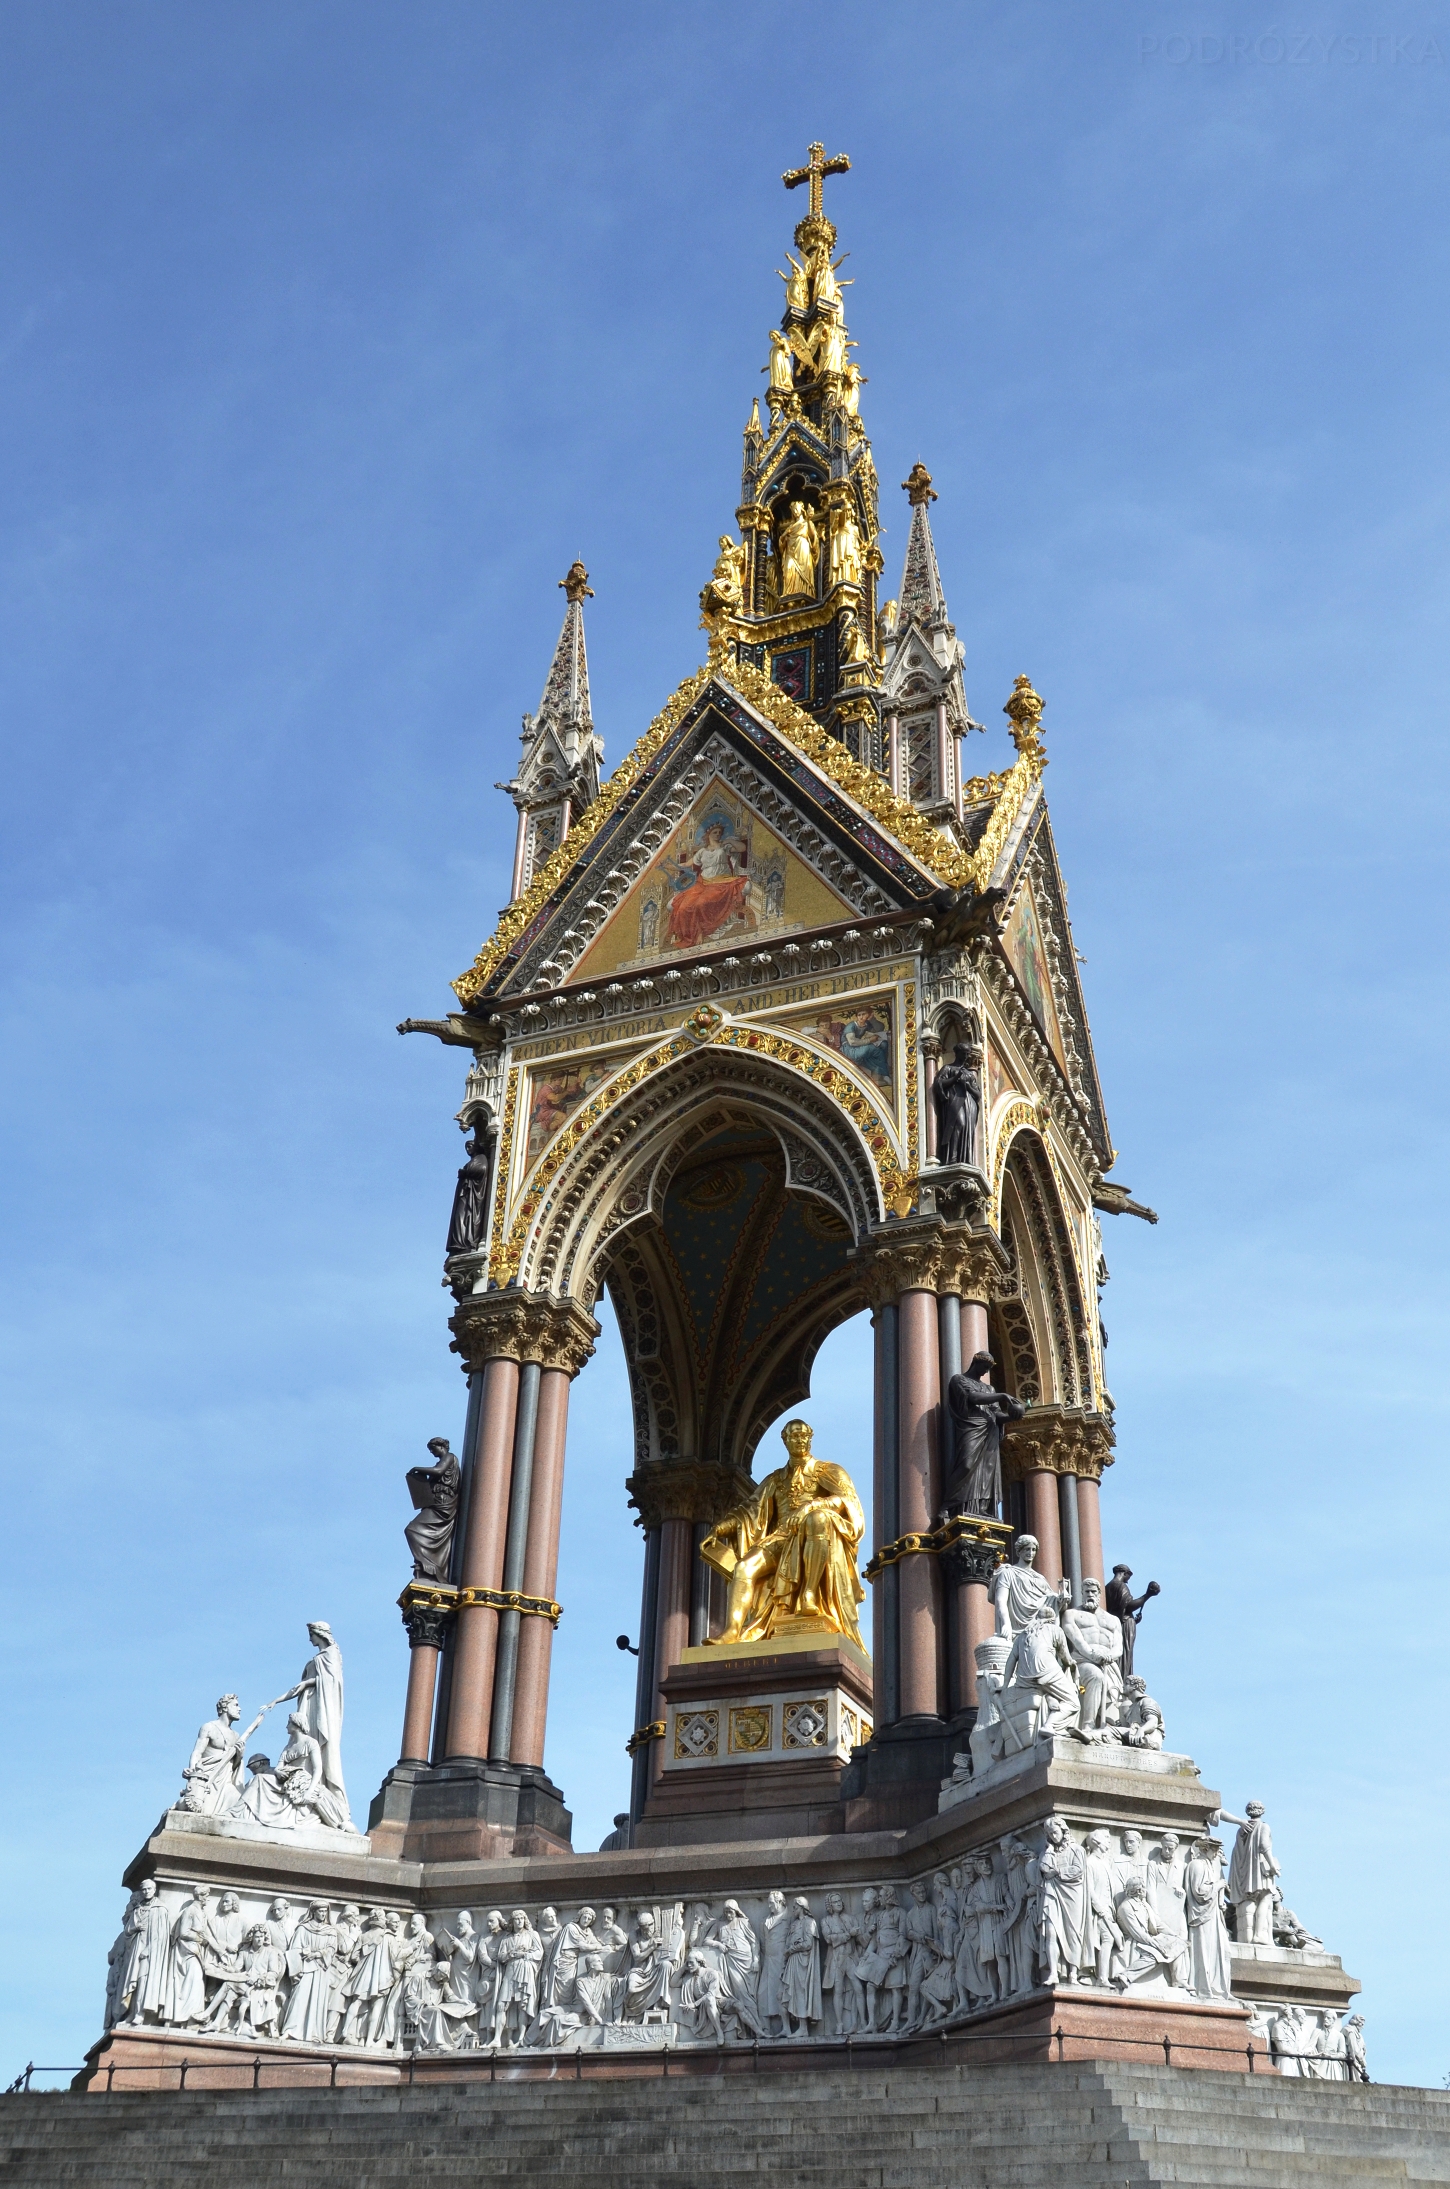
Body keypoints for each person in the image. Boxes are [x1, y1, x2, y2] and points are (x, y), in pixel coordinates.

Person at [700, 1421, 865, 1648]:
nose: (800, 1440)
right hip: (780, 1539)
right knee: (743, 1568)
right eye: (794, 1436)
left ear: (810, 1438)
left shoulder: (829, 1471)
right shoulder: (776, 1479)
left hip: (812, 1535)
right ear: (785, 1440)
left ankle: (809, 1594)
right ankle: (732, 1630)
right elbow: (749, 1511)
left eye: (804, 1435)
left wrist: (811, 1507)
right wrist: (719, 1528)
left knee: (818, 1519)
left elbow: (847, 1501)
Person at [944, 1354, 1024, 1519]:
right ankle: (948, 1505)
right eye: (985, 1367)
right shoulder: (959, 1380)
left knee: (987, 1471)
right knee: (966, 1465)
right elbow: (973, 1397)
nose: (986, 1372)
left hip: (990, 1432)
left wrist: (1012, 1417)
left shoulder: (990, 1389)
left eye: (989, 1369)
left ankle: (981, 1508)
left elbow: (997, 1414)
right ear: (976, 1362)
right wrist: (1002, 1396)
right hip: (972, 1429)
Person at [1063, 1578, 1125, 1734]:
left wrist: (1110, 1656)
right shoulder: (1071, 1614)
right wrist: (1093, 1656)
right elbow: (1077, 1641)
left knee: (1116, 1693)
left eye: (1093, 1592)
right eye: (1087, 1592)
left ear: (1099, 1594)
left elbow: (1119, 1647)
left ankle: (1109, 1729)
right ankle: (1088, 1725)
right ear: (1082, 1593)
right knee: (1096, 1676)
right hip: (1082, 1660)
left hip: (1109, 1663)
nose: (1090, 1595)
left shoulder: (1113, 1620)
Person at [176, 1695, 246, 1816]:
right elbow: (197, 1752)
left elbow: (233, 1765)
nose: (239, 1709)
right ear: (225, 1707)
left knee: (237, 1800)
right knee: (200, 1808)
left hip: (226, 1781)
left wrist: (239, 1756)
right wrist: (192, 1771)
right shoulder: (209, 1727)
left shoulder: (235, 1735)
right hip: (207, 1778)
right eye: (236, 1705)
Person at [1223, 1802, 1280, 1945]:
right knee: (1265, 1899)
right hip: (1260, 1870)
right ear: (1262, 1811)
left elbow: (1237, 1852)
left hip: (1244, 1872)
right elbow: (1264, 1846)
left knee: (1251, 1901)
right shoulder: (1264, 1826)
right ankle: (1259, 1934)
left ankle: (1251, 1936)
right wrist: (1272, 1865)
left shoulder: (1241, 1829)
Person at [1184, 1838, 1234, 2001]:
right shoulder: (1197, 1865)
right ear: (1206, 1849)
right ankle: (1204, 1987)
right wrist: (1218, 1885)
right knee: (1206, 1951)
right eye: (1214, 1849)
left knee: (1222, 1951)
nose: (1216, 1853)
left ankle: (1217, 1987)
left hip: (1213, 1915)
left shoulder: (1209, 1865)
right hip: (1202, 1917)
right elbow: (1200, 1893)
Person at [404, 1440, 461, 1583]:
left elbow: (439, 1471)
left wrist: (417, 1468)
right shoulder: (442, 1461)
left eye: (433, 1448)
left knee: (412, 1530)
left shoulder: (449, 1457)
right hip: (435, 1502)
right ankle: (427, 1566)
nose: (431, 1452)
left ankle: (428, 1565)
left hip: (442, 1504)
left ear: (442, 1446)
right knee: (413, 1531)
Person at [990, 1534, 1066, 1638]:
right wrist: (1006, 1624)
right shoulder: (1008, 1573)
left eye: (1033, 1550)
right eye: (1027, 1549)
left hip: (1038, 1630)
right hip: (1015, 1629)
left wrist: (1061, 1600)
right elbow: (1001, 1600)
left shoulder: (1040, 1578)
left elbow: (1053, 1603)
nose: (1030, 1553)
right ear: (1019, 1551)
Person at [1104, 1566, 1160, 1678]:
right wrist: (1147, 1595)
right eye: (1129, 1575)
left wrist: (1134, 1620)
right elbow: (1129, 1606)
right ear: (1124, 1573)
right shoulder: (1120, 1586)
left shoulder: (1107, 1587)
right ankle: (1123, 1678)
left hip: (1116, 1625)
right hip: (1124, 1625)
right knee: (1125, 1653)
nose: (1128, 1579)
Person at [932, 1045, 981, 1167]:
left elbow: (978, 1094)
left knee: (967, 1129)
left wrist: (968, 1086)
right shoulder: (948, 1068)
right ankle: (952, 1157)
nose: (965, 1056)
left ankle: (964, 1158)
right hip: (954, 1100)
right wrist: (955, 1078)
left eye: (967, 1054)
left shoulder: (969, 1074)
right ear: (957, 1053)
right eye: (963, 1053)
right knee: (959, 1123)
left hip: (969, 1104)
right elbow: (939, 1083)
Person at [781, 1898, 822, 2038]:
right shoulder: (794, 1924)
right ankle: (793, 2027)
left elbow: (808, 1943)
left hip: (803, 1962)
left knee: (801, 1993)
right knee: (790, 1994)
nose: (793, 1910)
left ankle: (803, 2028)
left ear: (802, 1908)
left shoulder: (809, 1922)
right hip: (793, 1961)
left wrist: (792, 1948)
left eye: (795, 1907)